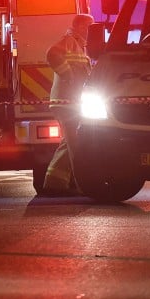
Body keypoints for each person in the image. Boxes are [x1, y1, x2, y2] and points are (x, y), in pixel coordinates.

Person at [39, 13, 95, 197]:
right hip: (66, 103)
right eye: (90, 26)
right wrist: (68, 75)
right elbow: (52, 53)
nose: (93, 31)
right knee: (76, 144)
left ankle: (54, 183)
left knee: (68, 143)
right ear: (80, 27)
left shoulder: (79, 45)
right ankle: (84, 185)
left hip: (71, 103)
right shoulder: (69, 40)